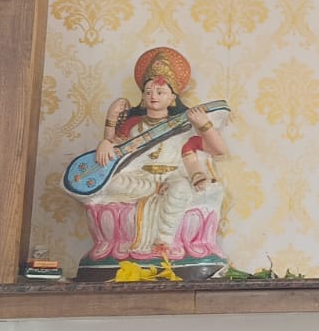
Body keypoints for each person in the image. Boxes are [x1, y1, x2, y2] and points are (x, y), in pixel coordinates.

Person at [79, 46, 227, 265]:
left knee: (181, 190)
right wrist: (105, 141)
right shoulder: (133, 125)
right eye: (148, 92)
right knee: (110, 184)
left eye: (160, 92)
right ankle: (154, 192)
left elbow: (219, 150)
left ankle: (164, 242)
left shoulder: (182, 126)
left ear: (172, 98)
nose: (153, 96)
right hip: (141, 179)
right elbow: (115, 150)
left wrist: (204, 124)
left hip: (172, 177)